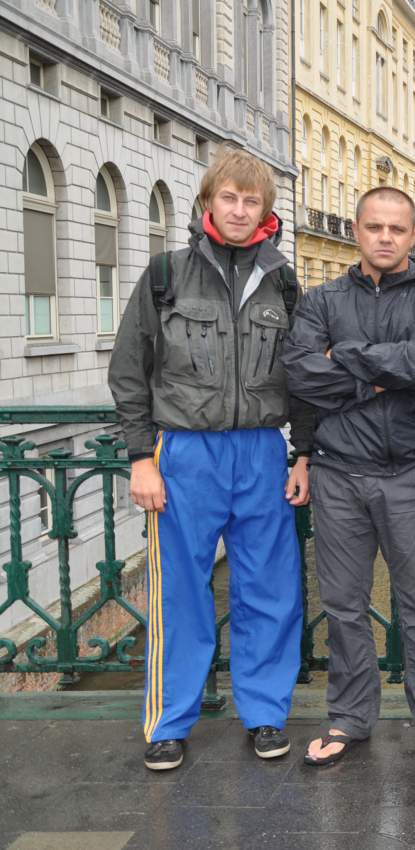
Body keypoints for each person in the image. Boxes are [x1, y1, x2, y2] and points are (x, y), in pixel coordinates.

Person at [108, 148, 312, 770]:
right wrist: (140, 457)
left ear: (266, 212)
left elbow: (304, 377)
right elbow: (129, 370)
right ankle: (169, 722)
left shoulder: (283, 282)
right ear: (208, 203)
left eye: (252, 201)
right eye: (230, 198)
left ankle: (266, 713)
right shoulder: (166, 274)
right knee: (180, 592)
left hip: (262, 450)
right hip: (185, 452)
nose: (240, 210)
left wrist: (303, 452)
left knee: (269, 588)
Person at [281, 186, 415, 766]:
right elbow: (300, 375)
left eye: (397, 229)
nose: (386, 237)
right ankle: (349, 717)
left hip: (408, 470)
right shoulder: (321, 299)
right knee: (343, 604)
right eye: (375, 227)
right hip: (337, 471)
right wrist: (382, 378)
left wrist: (343, 359)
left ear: (414, 235)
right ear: (357, 230)